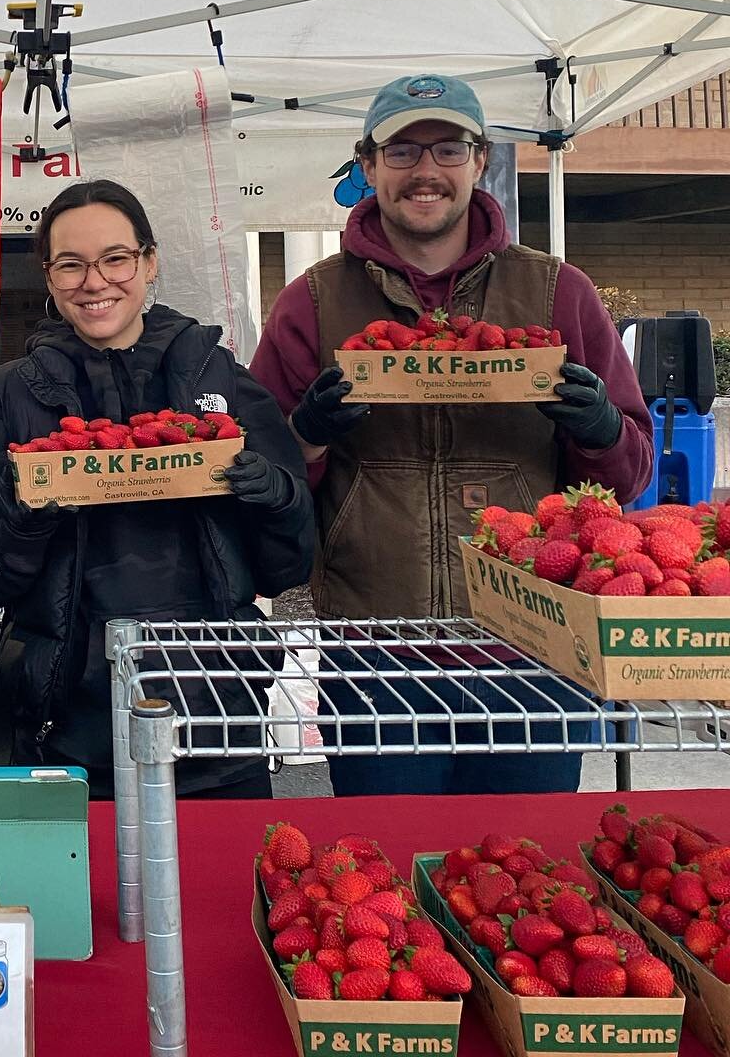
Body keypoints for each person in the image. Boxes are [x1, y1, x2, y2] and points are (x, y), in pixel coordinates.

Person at [249, 74, 654, 796]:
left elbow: (627, 475)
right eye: (401, 153)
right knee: (389, 871)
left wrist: (598, 432)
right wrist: (303, 437)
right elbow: (261, 486)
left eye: (445, 148)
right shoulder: (311, 301)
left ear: (479, 159)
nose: (425, 171)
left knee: (526, 866)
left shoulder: (559, 292)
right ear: (367, 166)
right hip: (376, 650)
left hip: (535, 645)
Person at [0, 179, 314, 799]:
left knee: (222, 890)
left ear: (149, 263)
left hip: (217, 719)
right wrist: (24, 523)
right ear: (48, 277)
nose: (94, 282)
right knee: (80, 896)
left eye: (115, 258)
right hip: (65, 728)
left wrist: (275, 497)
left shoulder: (219, 379)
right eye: (70, 265)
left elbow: (287, 566)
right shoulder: (8, 403)